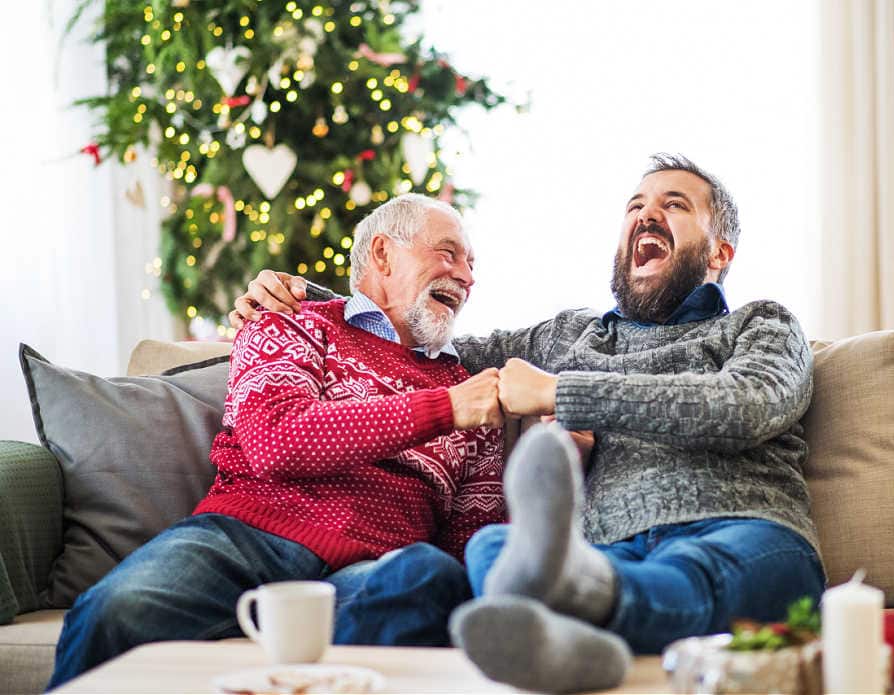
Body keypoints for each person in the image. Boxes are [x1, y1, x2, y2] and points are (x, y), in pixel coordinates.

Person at [231, 153, 825, 694]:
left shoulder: (760, 323)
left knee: (697, 573)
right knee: (493, 546)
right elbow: (415, 341)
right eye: (635, 208)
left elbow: (748, 403)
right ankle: (582, 637)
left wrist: (562, 392)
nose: (647, 216)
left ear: (720, 252)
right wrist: (305, 299)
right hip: (599, 552)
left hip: (739, 529)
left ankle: (577, 618)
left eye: (674, 205)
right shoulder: (569, 335)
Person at [47, 194, 508, 690]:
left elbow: (471, 537)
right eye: (448, 253)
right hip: (245, 538)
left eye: (471, 263)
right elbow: (275, 440)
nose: (467, 276)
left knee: (426, 576)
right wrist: (444, 409)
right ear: (382, 254)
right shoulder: (291, 321)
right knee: (119, 608)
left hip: (372, 571)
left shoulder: (469, 388)